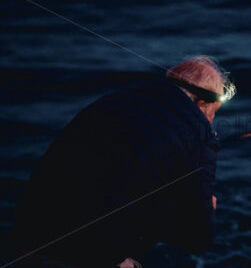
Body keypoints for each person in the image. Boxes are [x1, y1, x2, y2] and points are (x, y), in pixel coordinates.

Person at [12, 56, 235, 267]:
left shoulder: (113, 101)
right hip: (86, 255)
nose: (211, 122)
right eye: (213, 113)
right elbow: (197, 240)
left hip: (27, 235)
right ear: (202, 104)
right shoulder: (198, 133)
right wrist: (204, 209)